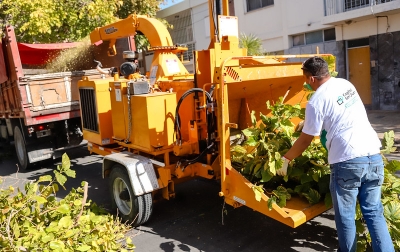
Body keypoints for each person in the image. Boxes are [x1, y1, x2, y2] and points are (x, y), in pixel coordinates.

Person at [276, 56, 394, 252]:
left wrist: (286, 158)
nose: (306, 83)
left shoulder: (316, 101)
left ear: (312, 79)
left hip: (347, 161)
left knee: (346, 217)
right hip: (373, 155)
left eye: (306, 79)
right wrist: (309, 123)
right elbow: (339, 113)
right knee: (374, 212)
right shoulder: (346, 84)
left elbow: (306, 140)